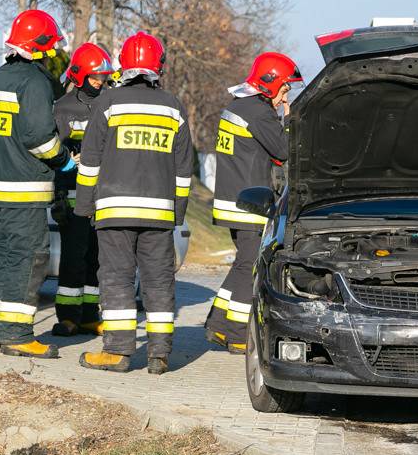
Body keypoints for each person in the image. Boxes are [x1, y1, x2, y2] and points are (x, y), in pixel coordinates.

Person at [75, 32, 193, 375]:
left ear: (123, 65)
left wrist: (84, 207)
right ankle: (159, 353)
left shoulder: (108, 103)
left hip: (114, 212)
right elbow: (184, 169)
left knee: (116, 278)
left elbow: (90, 162)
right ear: (158, 66)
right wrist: (177, 213)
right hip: (159, 213)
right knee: (159, 280)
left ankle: (117, 352)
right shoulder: (173, 107)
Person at [0, 9, 75, 359]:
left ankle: (1, 330)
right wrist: (65, 161)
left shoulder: (0, 77)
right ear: (41, 46)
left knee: (9, 260)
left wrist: (6, 143)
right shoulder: (35, 83)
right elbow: (40, 138)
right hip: (27, 188)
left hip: (1, 187)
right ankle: (16, 335)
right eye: (53, 46)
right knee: (30, 259)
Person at [204, 52, 302, 354]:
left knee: (241, 264)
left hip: (232, 200)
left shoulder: (238, 106)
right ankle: (237, 335)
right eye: (284, 89)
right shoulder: (259, 113)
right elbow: (283, 151)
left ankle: (218, 324)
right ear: (270, 82)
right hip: (250, 204)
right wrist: (287, 120)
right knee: (250, 267)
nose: (284, 97)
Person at [50, 42, 113, 337]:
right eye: (95, 76)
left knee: (96, 258)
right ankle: (67, 317)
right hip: (73, 195)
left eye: (103, 76)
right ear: (80, 74)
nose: (100, 82)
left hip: (102, 196)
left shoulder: (110, 103)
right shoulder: (62, 107)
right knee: (73, 257)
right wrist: (60, 191)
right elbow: (52, 148)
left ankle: (89, 315)